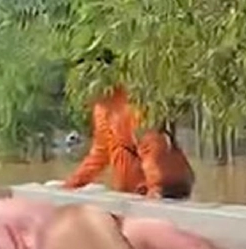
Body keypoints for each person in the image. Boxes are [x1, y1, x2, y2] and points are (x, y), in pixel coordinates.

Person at [62, 49, 195, 199]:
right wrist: (72, 184)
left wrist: (155, 188)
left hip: (164, 184)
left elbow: (152, 144)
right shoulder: (101, 107)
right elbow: (100, 153)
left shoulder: (132, 100)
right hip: (136, 189)